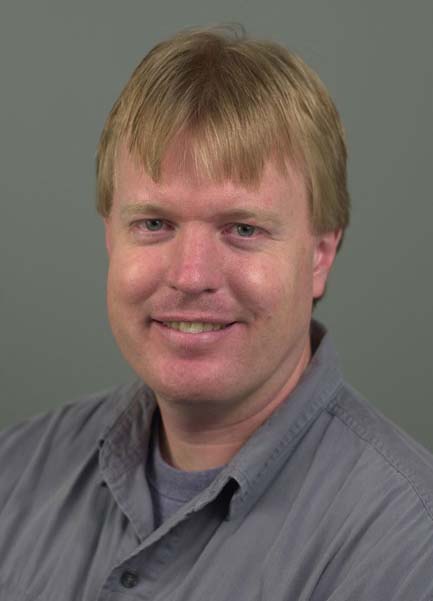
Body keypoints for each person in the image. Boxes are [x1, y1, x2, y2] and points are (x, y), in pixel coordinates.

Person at [0, 26, 432, 601]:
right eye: (154, 223)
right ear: (110, 238)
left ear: (320, 256)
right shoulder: (14, 473)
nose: (191, 275)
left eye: (243, 229)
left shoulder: (407, 546)